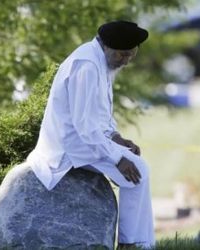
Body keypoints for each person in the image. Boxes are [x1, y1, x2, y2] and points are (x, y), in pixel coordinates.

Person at [26, 20, 154, 248]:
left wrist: (116, 138)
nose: (125, 62)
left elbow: (100, 114)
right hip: (68, 145)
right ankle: (130, 244)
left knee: (140, 167)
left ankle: (141, 243)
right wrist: (117, 157)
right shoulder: (86, 65)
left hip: (84, 138)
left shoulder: (102, 60)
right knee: (138, 172)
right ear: (107, 46)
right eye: (122, 56)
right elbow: (83, 124)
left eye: (130, 57)